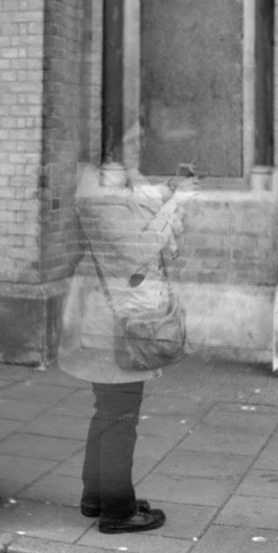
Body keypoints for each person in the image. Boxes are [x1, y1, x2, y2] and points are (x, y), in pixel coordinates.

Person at [59, 161, 195, 534]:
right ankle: (118, 511)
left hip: (107, 320)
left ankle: (97, 497)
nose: (130, 168)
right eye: (118, 162)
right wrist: (175, 204)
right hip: (114, 326)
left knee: (108, 411)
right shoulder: (99, 202)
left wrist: (171, 186)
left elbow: (145, 198)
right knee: (120, 417)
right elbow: (138, 249)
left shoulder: (111, 193)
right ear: (102, 169)